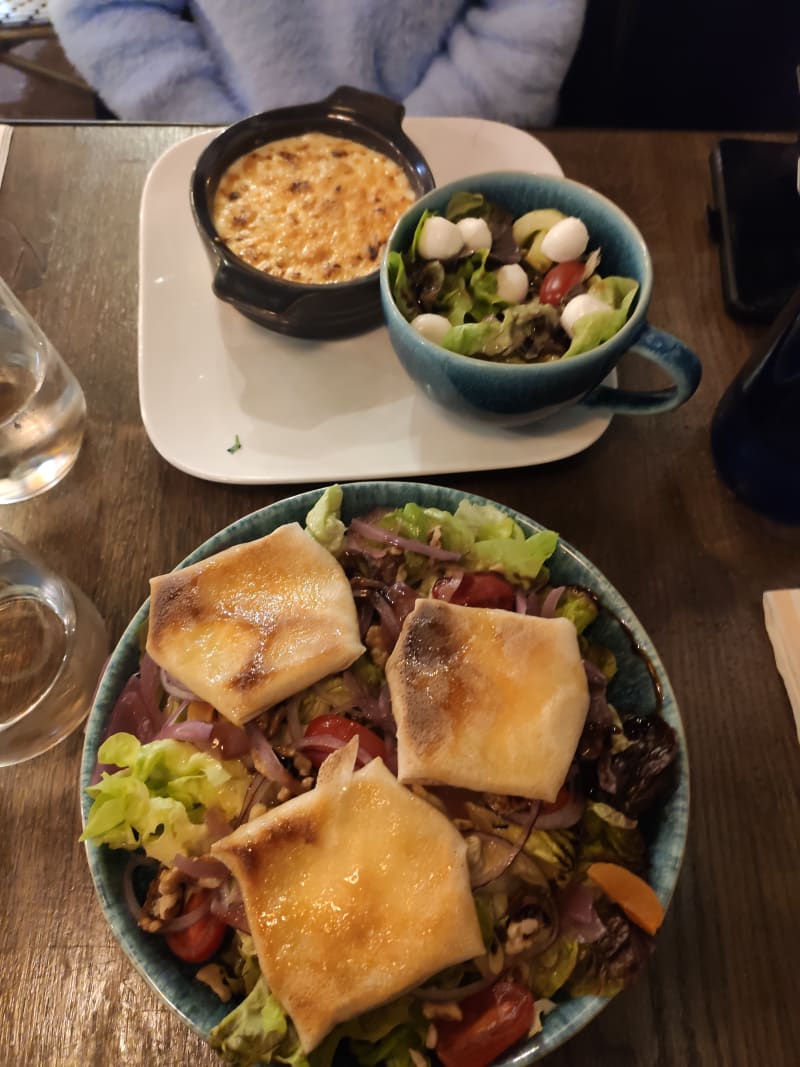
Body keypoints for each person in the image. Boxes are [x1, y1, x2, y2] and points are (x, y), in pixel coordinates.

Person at [49, 0, 587, 126]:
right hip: (223, 140)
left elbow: (530, 17)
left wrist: (422, 143)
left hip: (460, 146)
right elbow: (108, 12)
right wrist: (219, 137)